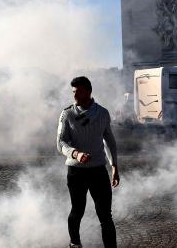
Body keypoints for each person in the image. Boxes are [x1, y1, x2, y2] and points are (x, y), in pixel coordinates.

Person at [56, 76, 119, 248]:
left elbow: (109, 141)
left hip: (98, 171)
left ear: (89, 91)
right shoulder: (67, 113)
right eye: (73, 92)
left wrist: (114, 166)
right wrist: (75, 154)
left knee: (105, 215)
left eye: (78, 91)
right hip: (76, 173)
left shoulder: (103, 113)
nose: (75, 95)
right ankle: (75, 244)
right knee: (77, 211)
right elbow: (60, 143)